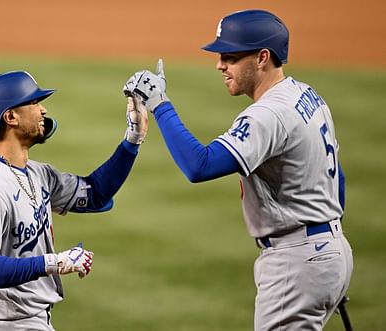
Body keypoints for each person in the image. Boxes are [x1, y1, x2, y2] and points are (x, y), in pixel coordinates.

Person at [123, 9, 353, 331]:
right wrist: (329, 257)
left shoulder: (268, 114)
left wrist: (161, 104)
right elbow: (336, 176)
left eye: (230, 56)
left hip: (297, 260)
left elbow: (199, 165)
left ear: (262, 57)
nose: (220, 65)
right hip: (329, 248)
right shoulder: (306, 94)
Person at [0, 70, 148, 330]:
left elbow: (94, 194)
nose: (43, 110)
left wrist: (133, 139)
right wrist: (54, 262)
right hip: (5, 325)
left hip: (33, 321)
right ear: (10, 117)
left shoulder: (38, 174)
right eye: (34, 103)